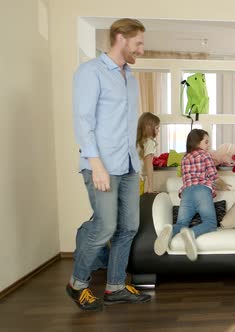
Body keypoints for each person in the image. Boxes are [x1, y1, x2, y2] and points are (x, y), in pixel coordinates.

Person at [67, 18, 151, 311]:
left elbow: (127, 126)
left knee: (128, 227)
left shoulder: (130, 78)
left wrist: (137, 163)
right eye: (138, 43)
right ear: (120, 38)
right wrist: (96, 164)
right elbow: (83, 121)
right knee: (104, 226)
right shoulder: (91, 72)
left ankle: (115, 286)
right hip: (100, 164)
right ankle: (77, 283)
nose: (141, 49)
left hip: (127, 164)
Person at [153, 129, 224, 261]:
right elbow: (214, 176)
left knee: (181, 223)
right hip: (202, 191)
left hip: (186, 192)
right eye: (206, 142)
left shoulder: (185, 158)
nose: (208, 145)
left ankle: (169, 231)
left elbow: (186, 177)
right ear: (197, 142)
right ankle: (192, 233)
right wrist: (223, 185)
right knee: (210, 223)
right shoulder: (205, 155)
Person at [136, 112, 161, 194]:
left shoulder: (137, 141)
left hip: (131, 179)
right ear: (149, 128)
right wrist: (150, 187)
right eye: (157, 128)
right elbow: (149, 165)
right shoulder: (149, 142)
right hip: (139, 180)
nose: (158, 131)